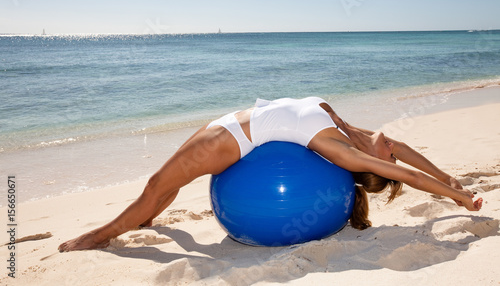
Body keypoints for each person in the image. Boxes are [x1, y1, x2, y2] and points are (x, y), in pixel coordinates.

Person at [58, 97, 482, 252]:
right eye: (390, 147)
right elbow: (406, 153)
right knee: (167, 183)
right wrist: (450, 179)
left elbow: (404, 171)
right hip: (228, 123)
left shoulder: (348, 153)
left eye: (387, 153)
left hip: (229, 142)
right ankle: (145, 219)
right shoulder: (358, 134)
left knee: (157, 184)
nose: (391, 143)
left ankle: (98, 236)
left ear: (377, 162)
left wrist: (458, 202)